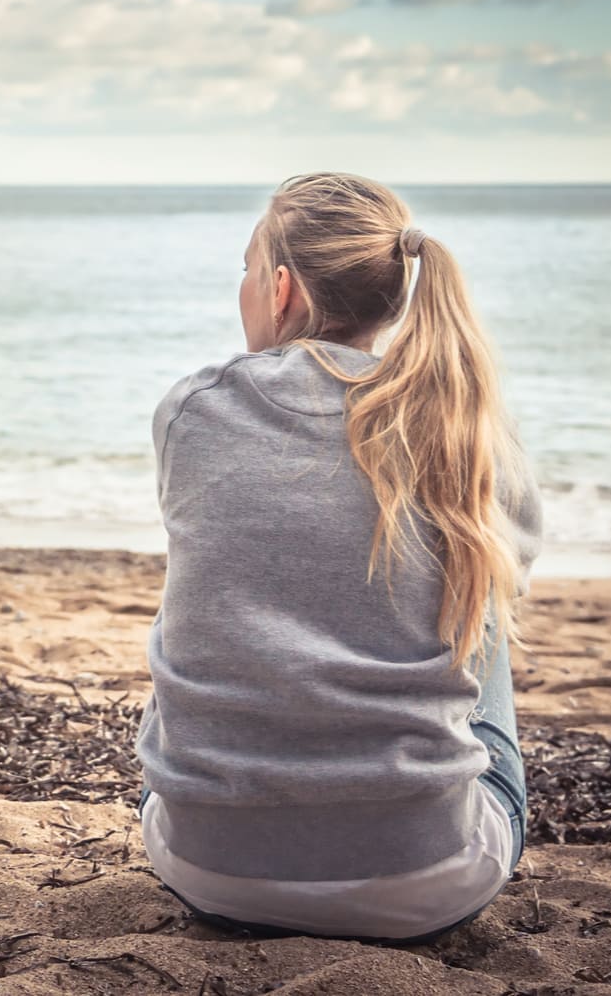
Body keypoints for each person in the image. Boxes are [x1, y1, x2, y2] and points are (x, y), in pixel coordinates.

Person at [134, 171, 543, 944]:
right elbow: (506, 584)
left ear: (281, 289)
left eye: (249, 272)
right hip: (429, 883)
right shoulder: (467, 426)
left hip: (208, 868)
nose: (247, 290)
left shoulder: (193, 408)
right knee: (475, 600)